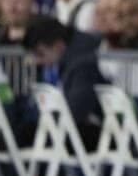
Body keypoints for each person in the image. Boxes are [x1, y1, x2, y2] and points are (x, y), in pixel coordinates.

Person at [21, 15, 105, 147]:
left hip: (96, 129)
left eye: (40, 54)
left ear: (59, 46)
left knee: (33, 135)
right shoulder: (67, 57)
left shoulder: (83, 63)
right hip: (73, 123)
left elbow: (76, 111)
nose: (37, 61)